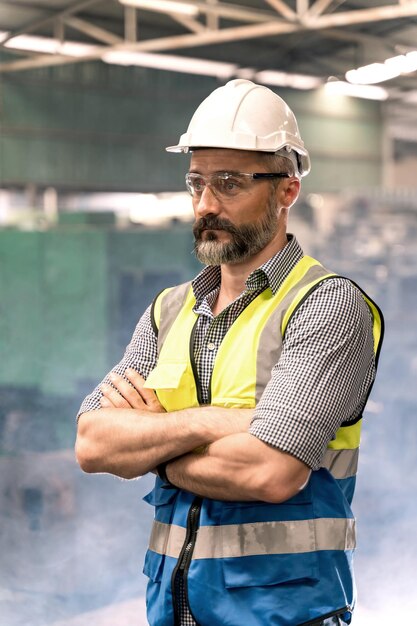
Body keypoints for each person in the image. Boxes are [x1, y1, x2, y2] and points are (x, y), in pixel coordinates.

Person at [75, 79, 384, 626]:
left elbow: (270, 473)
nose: (206, 205)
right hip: (174, 610)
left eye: (230, 184)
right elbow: (93, 443)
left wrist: (152, 446)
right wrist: (217, 423)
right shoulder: (170, 309)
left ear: (287, 191)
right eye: (196, 183)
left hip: (285, 612)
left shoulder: (327, 304)